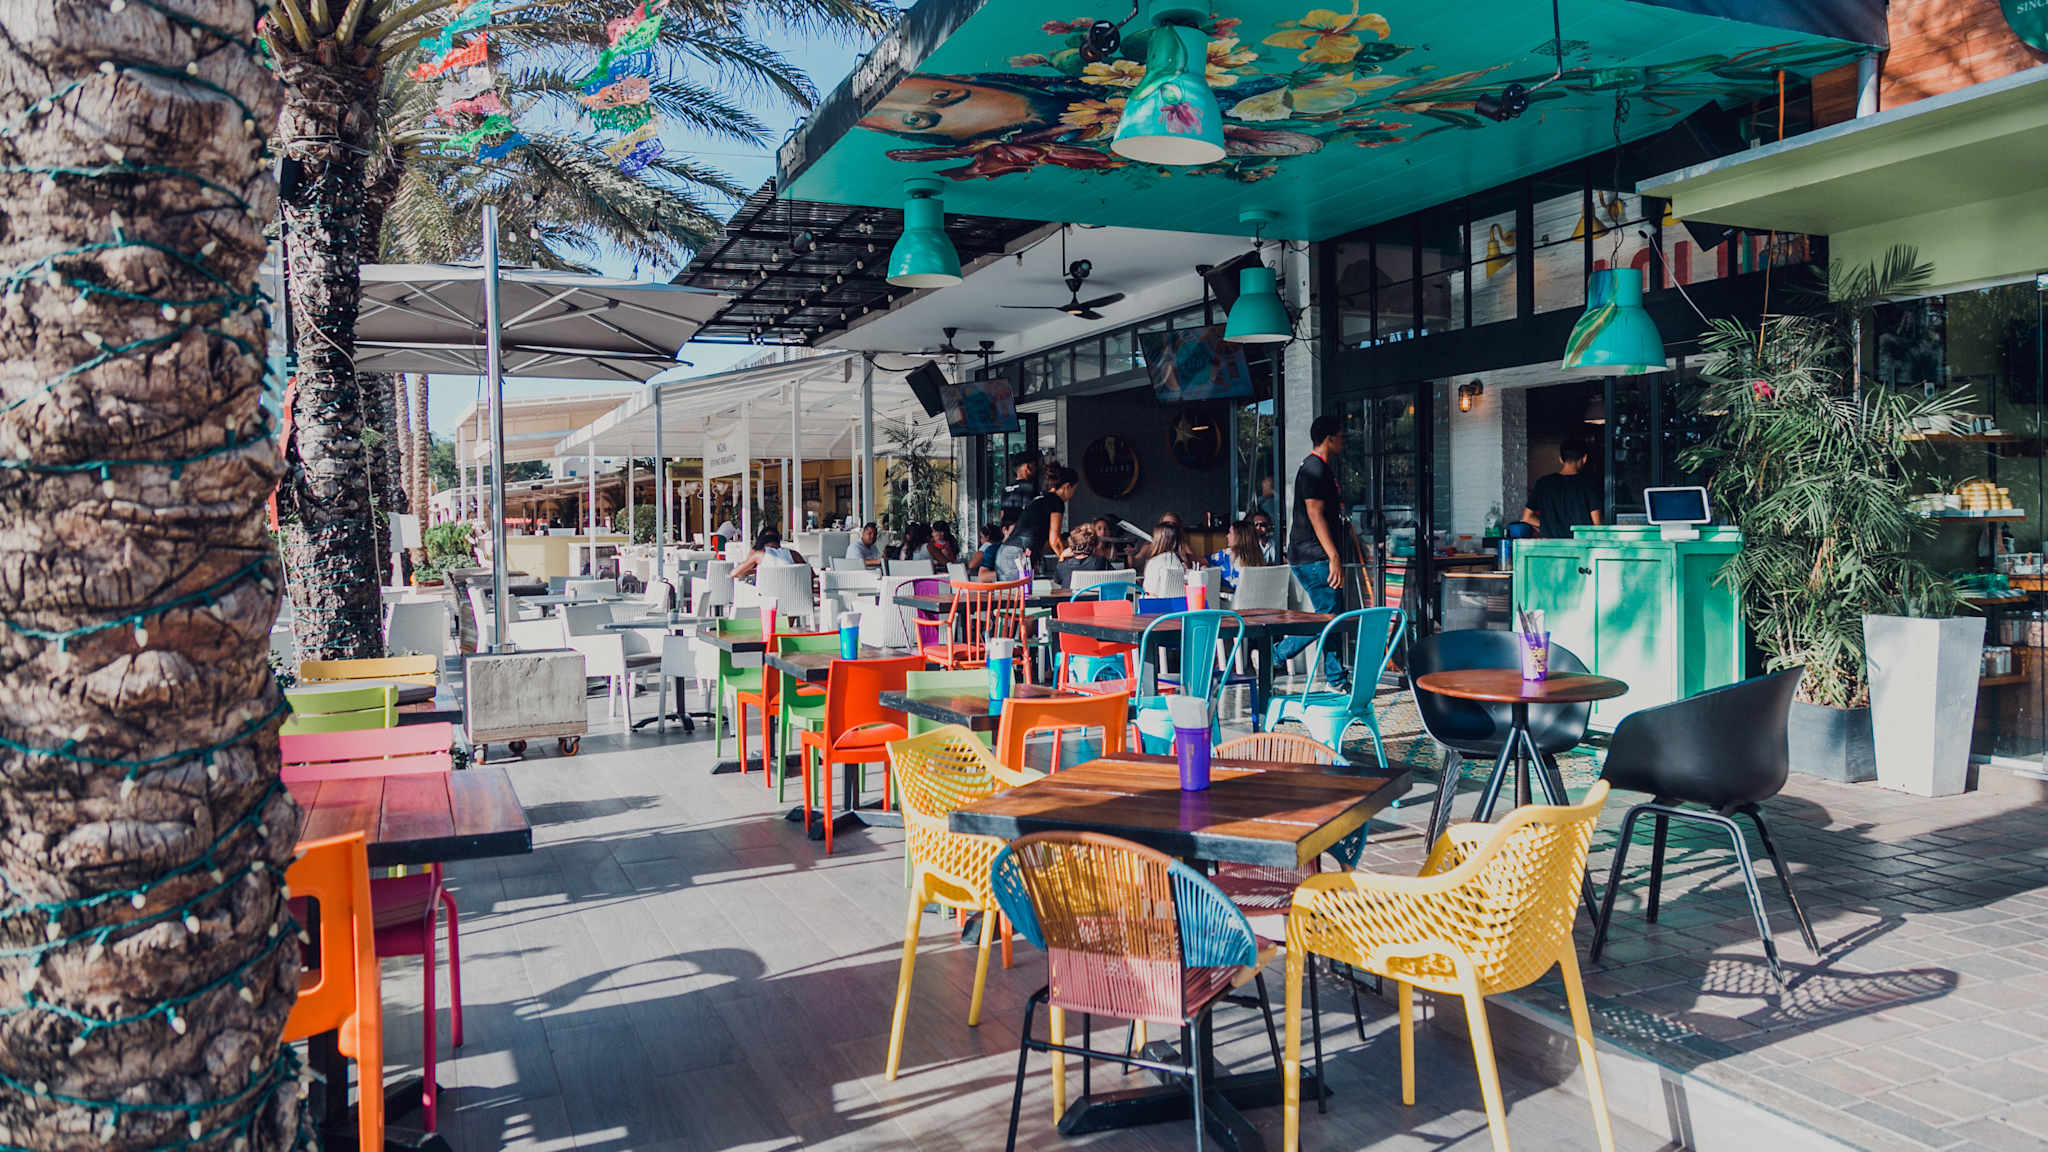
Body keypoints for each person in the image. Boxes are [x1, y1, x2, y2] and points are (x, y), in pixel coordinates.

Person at [1275, 415, 1357, 686]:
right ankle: (1277, 654)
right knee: (1329, 616)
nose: (1344, 439)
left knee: (1331, 614)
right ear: (1329, 438)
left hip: (1312, 554)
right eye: (1341, 434)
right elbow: (1314, 512)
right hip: (1313, 555)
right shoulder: (1313, 469)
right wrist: (1333, 555)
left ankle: (1336, 677)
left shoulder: (1323, 468)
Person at [998, 464, 1077, 580]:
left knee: (1012, 597)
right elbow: (1054, 540)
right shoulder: (1056, 501)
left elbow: (1041, 537)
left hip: (1006, 552)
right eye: (1074, 490)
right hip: (1018, 556)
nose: (1072, 495)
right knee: (1020, 596)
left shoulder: (1040, 498)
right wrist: (1067, 564)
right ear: (1067, 487)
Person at [1522, 437, 1604, 539]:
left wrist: (1550, 527)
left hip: (1550, 548)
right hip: (1580, 548)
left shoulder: (1543, 483)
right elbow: (1597, 525)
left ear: (1561, 459)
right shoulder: (1589, 485)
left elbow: (1527, 517)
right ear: (1584, 459)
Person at [730, 525, 804, 582]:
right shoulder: (794, 554)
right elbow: (810, 574)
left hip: (767, 599)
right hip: (793, 597)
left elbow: (733, 573)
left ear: (761, 542)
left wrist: (754, 570)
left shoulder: (759, 555)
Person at [1134, 521, 1190, 597]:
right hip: (1177, 606)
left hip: (1156, 606)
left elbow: (1149, 590)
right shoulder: (1179, 562)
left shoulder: (1154, 562)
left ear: (1158, 540)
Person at [1208, 519, 1264, 592]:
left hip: (1237, 601)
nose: (1227, 536)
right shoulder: (1224, 555)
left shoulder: (1252, 563)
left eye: (1230, 533)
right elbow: (1200, 561)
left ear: (1239, 537)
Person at [1056, 522, 1113, 586]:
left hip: (1072, 596)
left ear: (1071, 546)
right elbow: (1115, 578)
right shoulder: (1101, 562)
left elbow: (1058, 582)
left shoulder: (1062, 566)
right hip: (1093, 596)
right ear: (1095, 544)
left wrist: (1061, 557)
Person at [999, 449, 1040, 519]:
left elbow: (1003, 516)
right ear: (1028, 466)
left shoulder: (1005, 490)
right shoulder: (1031, 488)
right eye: (1034, 465)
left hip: (1010, 529)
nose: (1036, 469)